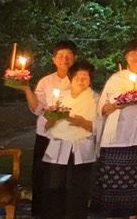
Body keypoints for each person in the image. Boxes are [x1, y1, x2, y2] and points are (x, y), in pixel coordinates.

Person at [96, 40, 137, 219]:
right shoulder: (117, 79)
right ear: (126, 57)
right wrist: (118, 104)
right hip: (117, 138)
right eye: (133, 53)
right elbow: (102, 109)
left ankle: (135, 215)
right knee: (113, 184)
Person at [24, 40, 78, 219]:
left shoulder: (80, 80)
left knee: (67, 176)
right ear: (54, 59)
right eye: (61, 56)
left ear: (75, 59)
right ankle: (42, 211)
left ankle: (67, 210)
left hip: (70, 134)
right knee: (44, 175)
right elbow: (37, 109)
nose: (65, 60)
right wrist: (26, 89)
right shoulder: (46, 81)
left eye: (69, 56)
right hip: (47, 134)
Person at [38, 60, 98, 219]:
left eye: (85, 77)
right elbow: (46, 123)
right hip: (58, 146)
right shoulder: (59, 97)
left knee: (78, 188)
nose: (81, 81)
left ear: (90, 79)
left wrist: (82, 122)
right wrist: (54, 117)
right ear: (70, 79)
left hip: (81, 148)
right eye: (77, 77)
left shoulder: (95, 99)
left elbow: (100, 127)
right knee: (54, 187)